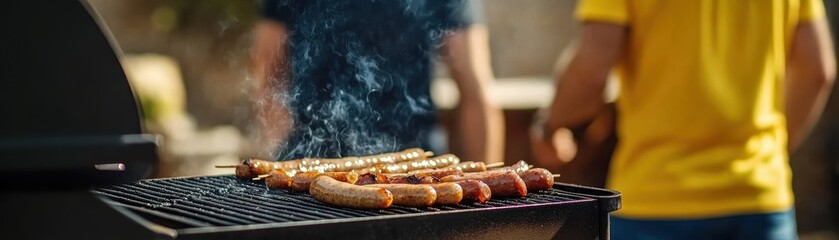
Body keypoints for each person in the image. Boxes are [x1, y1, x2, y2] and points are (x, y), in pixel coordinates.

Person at [532, 0, 835, 238]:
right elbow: (817, 69)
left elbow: (592, 70)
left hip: (656, 200)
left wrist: (551, 125)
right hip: (758, 194)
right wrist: (770, 153)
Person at [250, 0, 503, 164]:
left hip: (414, 168)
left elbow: (475, 93)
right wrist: (284, 155)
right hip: (313, 165)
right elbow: (267, 69)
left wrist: (484, 199)